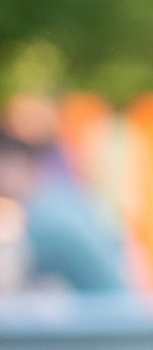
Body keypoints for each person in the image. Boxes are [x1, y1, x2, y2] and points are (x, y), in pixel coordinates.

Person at [0, 116, 130, 291]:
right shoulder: (64, 195)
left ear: (16, 164)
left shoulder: (43, 218)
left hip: (101, 303)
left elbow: (18, 278)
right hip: (122, 297)